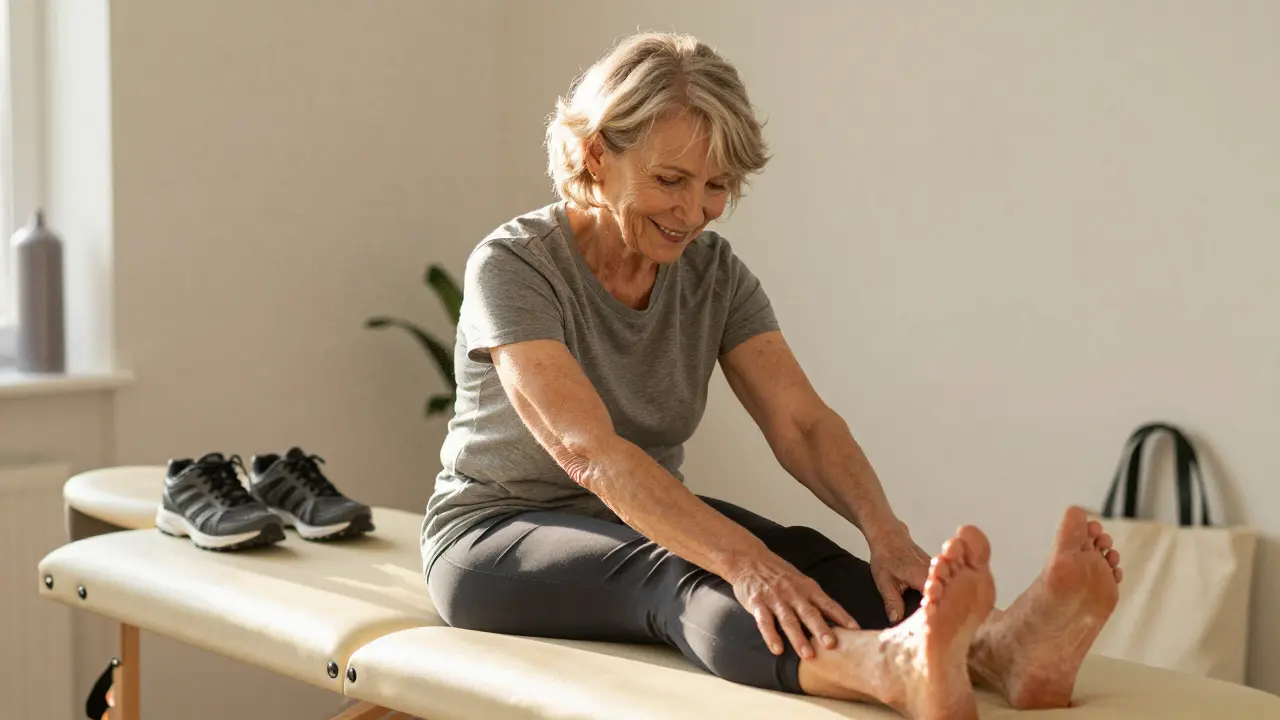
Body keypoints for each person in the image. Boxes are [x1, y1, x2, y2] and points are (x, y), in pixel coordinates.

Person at [421, 32, 1123, 720]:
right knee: (695, 573)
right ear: (597, 154)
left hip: (632, 519)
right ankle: (888, 670)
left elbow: (803, 424)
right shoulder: (515, 267)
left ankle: (1002, 648)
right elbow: (588, 452)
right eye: (671, 180)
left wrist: (885, 533)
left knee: (805, 555)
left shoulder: (713, 275)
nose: (693, 212)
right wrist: (745, 564)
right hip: (492, 537)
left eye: (717, 186)